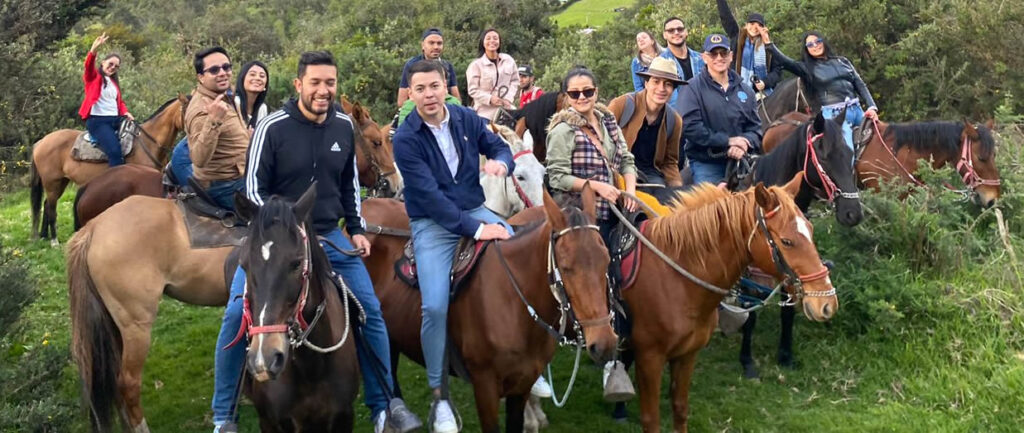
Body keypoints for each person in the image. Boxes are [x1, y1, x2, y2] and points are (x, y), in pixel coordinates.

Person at [211, 51, 422, 433]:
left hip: (327, 234)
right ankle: (224, 415)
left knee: (371, 312)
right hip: (275, 238)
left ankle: (383, 406)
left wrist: (356, 227)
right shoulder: (272, 127)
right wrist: (288, 223)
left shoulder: (343, 126)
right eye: (315, 83)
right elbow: (253, 189)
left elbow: (348, 185)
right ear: (298, 85)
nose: (323, 90)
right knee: (233, 317)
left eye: (330, 83)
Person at [392, 59, 516, 433]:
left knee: (525, 262)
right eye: (420, 89)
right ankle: (439, 394)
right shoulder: (405, 138)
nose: (428, 95)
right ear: (410, 94)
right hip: (432, 223)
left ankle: (532, 367)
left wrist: (502, 163)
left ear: (445, 85)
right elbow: (430, 200)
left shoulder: (465, 117)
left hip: (475, 207)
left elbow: (500, 146)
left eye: (434, 86)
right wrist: (478, 231)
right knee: (433, 304)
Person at [545, 66, 638, 398]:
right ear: (566, 97)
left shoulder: (608, 121)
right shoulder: (561, 131)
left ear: (597, 92)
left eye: (588, 91)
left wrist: (630, 190)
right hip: (580, 216)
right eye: (575, 93)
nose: (582, 98)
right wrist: (596, 185)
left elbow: (626, 159)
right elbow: (556, 177)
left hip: (617, 206)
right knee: (606, 276)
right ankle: (611, 365)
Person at [760, 28, 878, 152]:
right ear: (806, 49)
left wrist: (871, 107)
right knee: (847, 153)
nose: (815, 46)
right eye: (810, 44)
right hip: (834, 116)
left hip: (857, 110)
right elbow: (785, 61)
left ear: (823, 42)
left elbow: (860, 85)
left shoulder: (843, 61)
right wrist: (768, 44)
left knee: (882, 142)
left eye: (818, 41)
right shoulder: (807, 68)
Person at [679, 34, 762, 185]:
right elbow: (690, 128)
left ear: (731, 56)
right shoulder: (691, 88)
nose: (719, 58)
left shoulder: (746, 90)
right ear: (704, 57)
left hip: (742, 160)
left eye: (723, 53)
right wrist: (727, 142)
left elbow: (756, 128)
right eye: (713, 54)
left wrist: (744, 143)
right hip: (707, 163)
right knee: (713, 205)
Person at [170, 60, 270, 186]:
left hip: (226, 162)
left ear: (266, 84)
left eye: (262, 76)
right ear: (242, 78)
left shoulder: (262, 109)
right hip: (189, 156)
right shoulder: (231, 101)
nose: (257, 78)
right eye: (252, 74)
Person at [183, 47, 249, 209]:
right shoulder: (202, 109)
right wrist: (213, 121)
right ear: (201, 77)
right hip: (226, 186)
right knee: (277, 220)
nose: (222, 73)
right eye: (214, 70)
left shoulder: (225, 95)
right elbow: (199, 159)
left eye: (226, 67)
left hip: (240, 177)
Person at [608, 57, 685, 187]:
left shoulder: (674, 120)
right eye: (656, 81)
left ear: (673, 90)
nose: (661, 88)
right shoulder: (622, 105)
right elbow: (599, 138)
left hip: (651, 177)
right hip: (618, 171)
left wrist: (677, 188)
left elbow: (670, 162)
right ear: (646, 83)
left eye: (668, 84)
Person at [78, 32, 134, 167]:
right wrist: (93, 50)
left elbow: (119, 103)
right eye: (111, 64)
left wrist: (126, 112)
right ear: (103, 63)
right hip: (98, 121)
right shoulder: (93, 77)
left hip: (115, 118)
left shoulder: (113, 83)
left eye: (116, 66)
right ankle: (116, 184)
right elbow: (88, 66)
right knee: (115, 151)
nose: (113, 67)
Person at [716, 0, 783, 94]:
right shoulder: (737, 37)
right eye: (752, 24)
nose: (755, 28)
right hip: (737, 89)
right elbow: (726, 17)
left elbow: (777, 71)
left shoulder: (768, 46)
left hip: (762, 93)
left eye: (758, 25)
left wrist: (765, 82)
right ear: (746, 25)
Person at [397, 28, 461, 107]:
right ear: (423, 45)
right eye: (431, 43)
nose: (436, 47)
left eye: (439, 43)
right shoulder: (411, 65)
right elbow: (401, 101)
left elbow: (456, 96)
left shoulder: (447, 66)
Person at [466, 28, 519, 121]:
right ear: (483, 42)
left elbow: (515, 81)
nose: (492, 41)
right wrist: (490, 99)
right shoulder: (476, 65)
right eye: (488, 38)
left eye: (495, 38)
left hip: (506, 109)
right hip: (484, 113)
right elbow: (473, 90)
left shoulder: (508, 60)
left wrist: (508, 98)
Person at [659, 17, 705, 110]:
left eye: (680, 29)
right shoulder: (661, 62)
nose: (676, 32)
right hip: (678, 116)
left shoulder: (701, 59)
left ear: (686, 32)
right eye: (671, 30)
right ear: (665, 35)